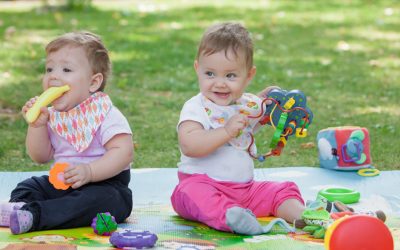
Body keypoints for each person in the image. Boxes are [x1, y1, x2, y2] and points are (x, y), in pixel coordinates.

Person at [170, 22, 346, 235]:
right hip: (203, 184)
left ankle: (307, 216)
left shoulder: (246, 104)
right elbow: (190, 145)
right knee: (192, 194)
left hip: (245, 191)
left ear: (248, 76)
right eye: (210, 74)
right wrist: (225, 131)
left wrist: (273, 102)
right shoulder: (196, 107)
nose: (220, 83)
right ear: (197, 69)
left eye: (231, 76)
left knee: (282, 189)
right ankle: (231, 217)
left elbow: (262, 111)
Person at [0, 31, 133, 234]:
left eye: (66, 69)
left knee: (106, 200)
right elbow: (40, 157)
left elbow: (124, 153)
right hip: (62, 183)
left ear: (93, 82)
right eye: (49, 68)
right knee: (28, 186)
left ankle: (35, 216)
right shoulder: (54, 116)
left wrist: (90, 172)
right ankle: (20, 209)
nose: (54, 75)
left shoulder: (105, 114)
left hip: (105, 185)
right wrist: (37, 126)